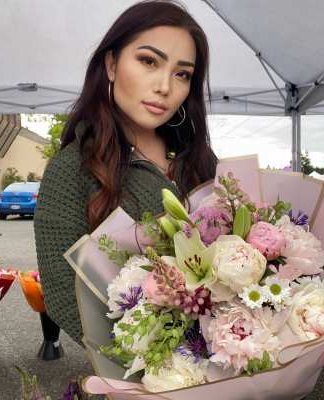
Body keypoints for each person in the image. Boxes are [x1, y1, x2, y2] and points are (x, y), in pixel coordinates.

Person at [34, 0, 217, 345]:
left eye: (182, 74)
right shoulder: (72, 169)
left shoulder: (200, 159)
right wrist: (160, 361)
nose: (164, 86)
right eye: (148, 61)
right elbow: (64, 297)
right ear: (111, 64)